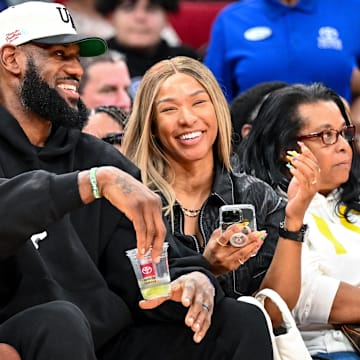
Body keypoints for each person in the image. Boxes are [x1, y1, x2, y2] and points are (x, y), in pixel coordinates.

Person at [0, 2, 276, 359]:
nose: (75, 69)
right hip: (23, 335)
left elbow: (152, 260)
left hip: (109, 341)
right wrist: (91, 184)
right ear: (11, 59)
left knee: (239, 319)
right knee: (61, 320)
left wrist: (195, 280)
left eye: (75, 57)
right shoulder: (101, 173)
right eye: (58, 54)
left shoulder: (96, 157)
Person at [122, 55, 319, 324]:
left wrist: (293, 220)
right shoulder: (133, 200)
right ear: (151, 125)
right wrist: (206, 269)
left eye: (199, 103)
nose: (187, 118)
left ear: (217, 110)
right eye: (169, 110)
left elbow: (273, 314)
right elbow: (137, 309)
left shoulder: (257, 197)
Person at [237, 82, 360, 359]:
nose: (343, 146)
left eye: (344, 133)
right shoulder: (269, 207)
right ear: (286, 150)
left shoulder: (352, 195)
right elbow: (307, 298)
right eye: (326, 135)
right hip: (330, 350)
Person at [204, 0, 360, 122]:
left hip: (332, 143)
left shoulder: (352, 9)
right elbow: (214, 97)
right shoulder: (231, 20)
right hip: (257, 149)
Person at [95, 0, 200, 98]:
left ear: (167, 17)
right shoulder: (94, 61)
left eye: (151, 8)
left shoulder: (186, 60)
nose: (140, 17)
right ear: (110, 16)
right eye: (128, 8)